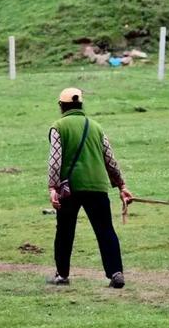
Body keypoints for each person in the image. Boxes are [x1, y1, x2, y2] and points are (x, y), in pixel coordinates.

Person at [46, 87, 133, 289]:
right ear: (81, 104)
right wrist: (121, 185)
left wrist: (52, 186)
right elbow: (110, 159)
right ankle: (116, 272)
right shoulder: (96, 127)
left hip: (70, 188)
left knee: (65, 231)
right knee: (105, 230)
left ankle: (62, 274)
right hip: (97, 186)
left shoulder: (58, 127)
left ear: (62, 106)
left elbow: (55, 161)